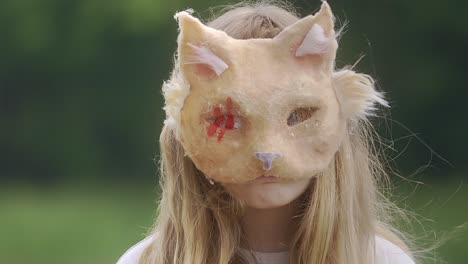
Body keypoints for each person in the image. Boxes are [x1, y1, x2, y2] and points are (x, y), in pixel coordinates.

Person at [117, 1, 416, 263]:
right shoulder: (147, 261)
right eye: (229, 120)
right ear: (183, 125)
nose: (266, 150)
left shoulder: (381, 260)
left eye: (298, 115)